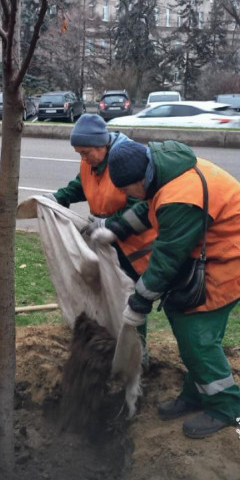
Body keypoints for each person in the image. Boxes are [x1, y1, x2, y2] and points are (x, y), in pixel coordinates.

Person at [107, 139, 240, 439]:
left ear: (141, 178)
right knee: (182, 316)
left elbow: (167, 257)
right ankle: (197, 393)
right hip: (225, 247)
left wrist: (140, 302)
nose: (125, 196)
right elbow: (148, 207)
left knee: (196, 332)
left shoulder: (180, 196)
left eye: (126, 190)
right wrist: (115, 228)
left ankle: (228, 406)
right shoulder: (164, 170)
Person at [44, 114, 157, 366]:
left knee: (131, 295)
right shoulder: (89, 162)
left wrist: (111, 225)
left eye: (85, 152)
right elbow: (80, 185)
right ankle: (112, 339)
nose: (82, 158)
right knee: (105, 290)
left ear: (102, 145)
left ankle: (138, 352)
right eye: (79, 153)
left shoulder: (125, 161)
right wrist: (57, 198)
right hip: (105, 239)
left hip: (133, 244)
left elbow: (139, 204)